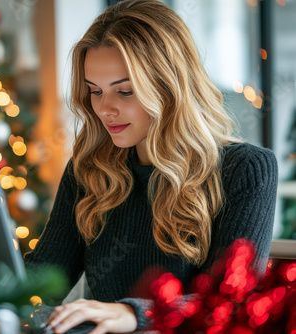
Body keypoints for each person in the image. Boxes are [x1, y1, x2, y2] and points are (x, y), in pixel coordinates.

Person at [24, 0, 278, 333]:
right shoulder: (89, 170)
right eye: (95, 91)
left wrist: (132, 315)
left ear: (171, 88)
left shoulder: (246, 169)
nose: (104, 109)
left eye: (125, 92)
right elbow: (41, 283)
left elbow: (230, 301)